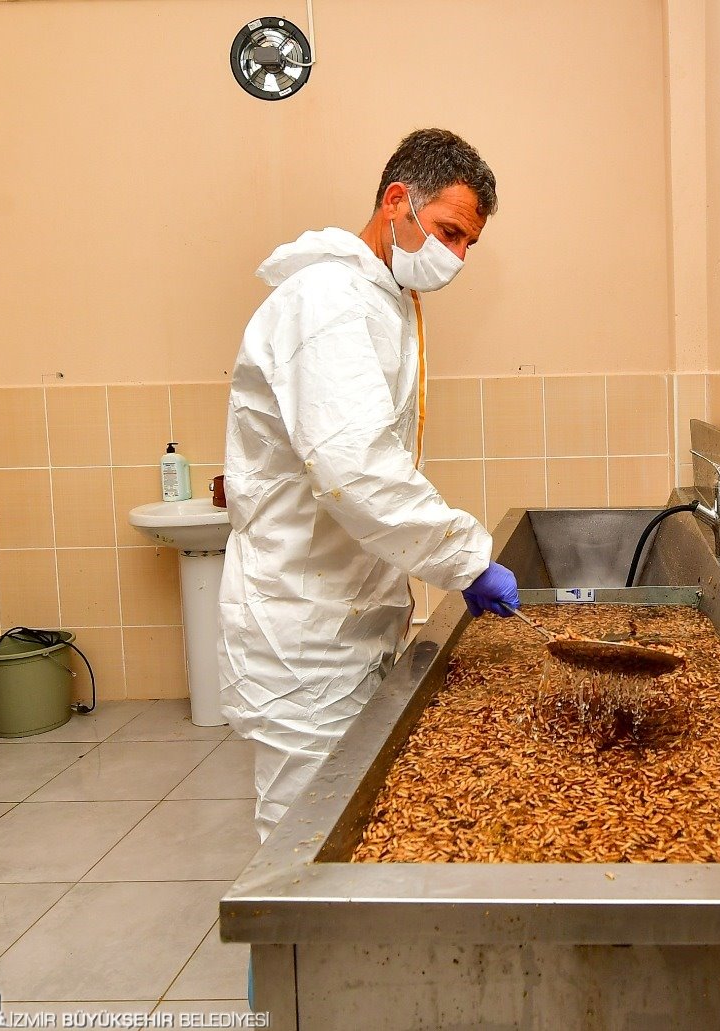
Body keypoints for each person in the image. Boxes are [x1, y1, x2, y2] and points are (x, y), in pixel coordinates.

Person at [219, 128, 523, 840]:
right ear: (396, 201)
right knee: (301, 834)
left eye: (469, 244)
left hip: (346, 614)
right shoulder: (327, 301)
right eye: (449, 231)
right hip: (304, 630)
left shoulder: (382, 299)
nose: (457, 257)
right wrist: (466, 559)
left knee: (341, 819)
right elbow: (355, 469)